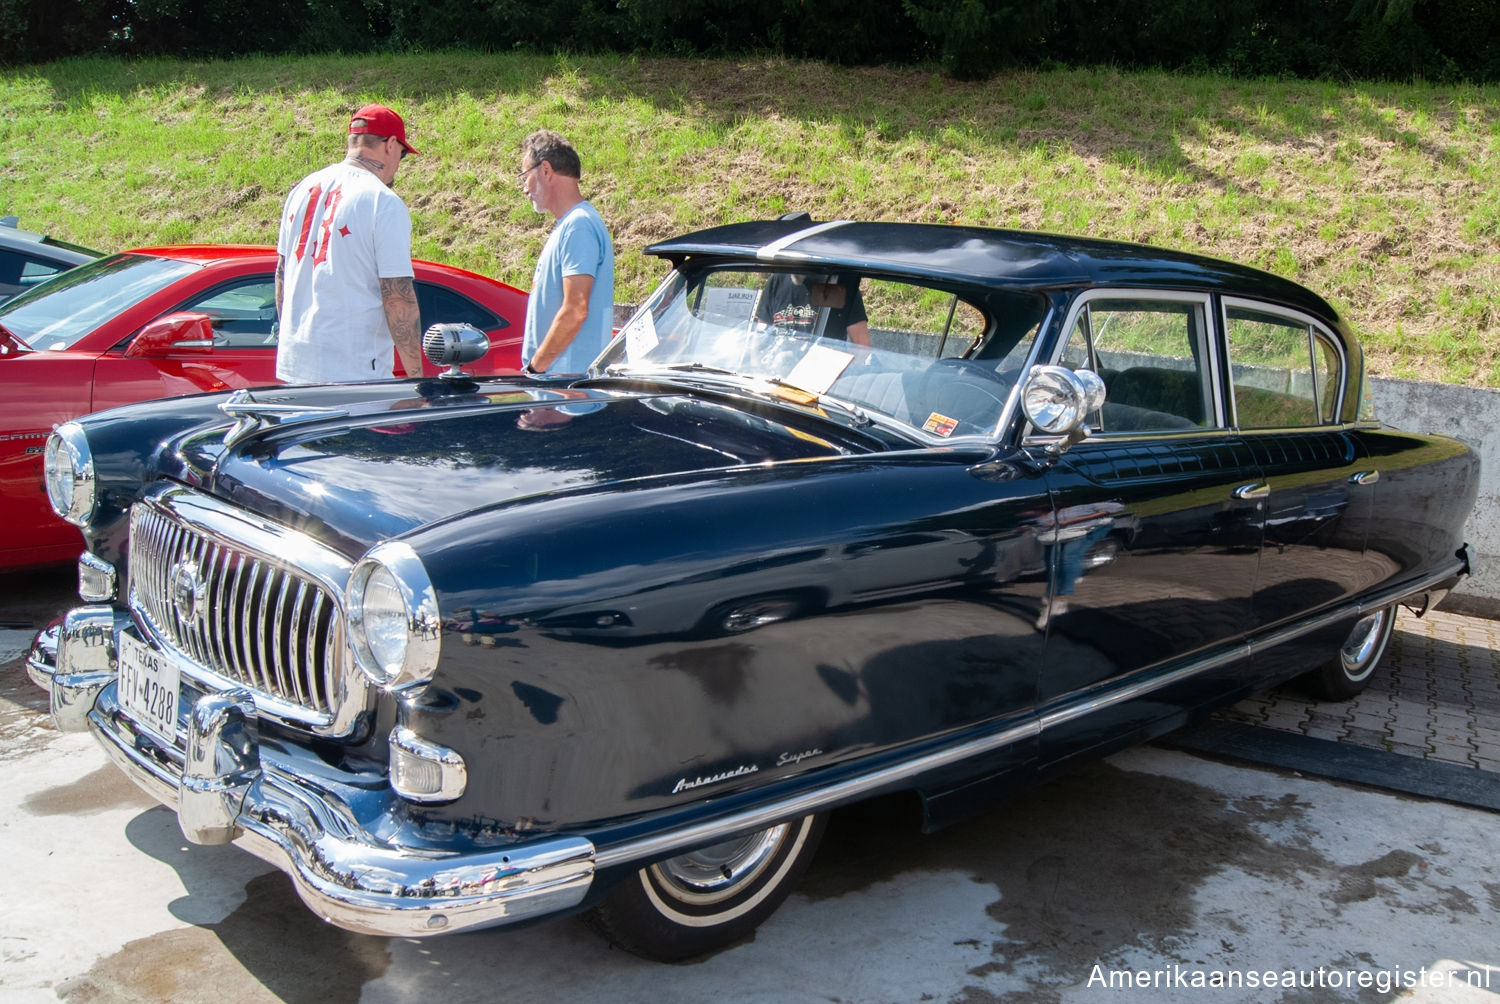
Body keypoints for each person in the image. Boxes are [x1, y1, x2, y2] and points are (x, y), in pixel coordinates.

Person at [274, 103, 423, 384]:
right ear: (391, 145)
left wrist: (290, 340)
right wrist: (418, 379)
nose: (398, 166)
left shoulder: (301, 189)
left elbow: (282, 273)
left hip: (295, 366)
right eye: (402, 155)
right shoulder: (383, 201)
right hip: (353, 370)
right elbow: (398, 297)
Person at [518, 130, 615, 375]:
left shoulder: (578, 225)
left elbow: (576, 309)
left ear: (546, 170)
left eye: (525, 176)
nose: (524, 188)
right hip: (559, 390)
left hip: (565, 393)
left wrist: (534, 368)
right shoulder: (571, 224)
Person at [755, 271, 870, 345]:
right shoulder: (777, 280)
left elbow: (861, 345)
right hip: (777, 372)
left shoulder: (836, 284)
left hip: (819, 376)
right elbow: (760, 338)